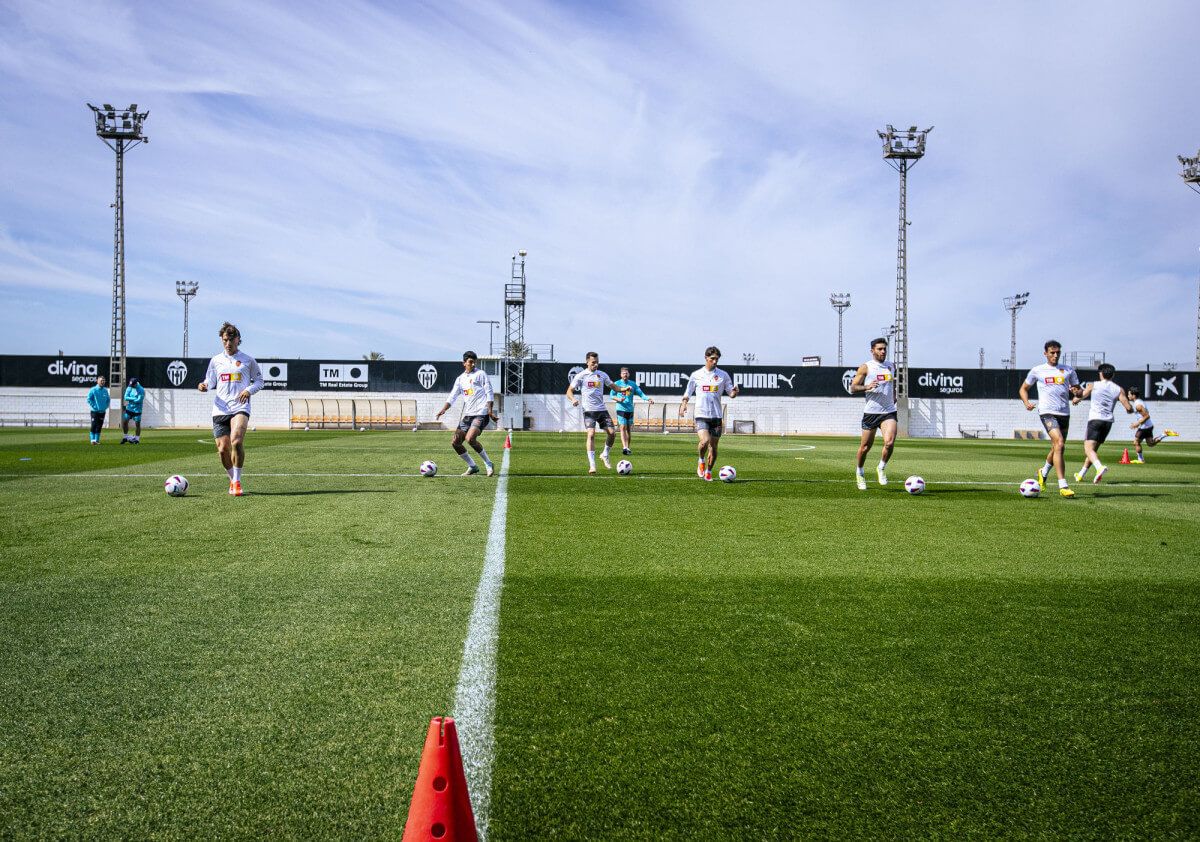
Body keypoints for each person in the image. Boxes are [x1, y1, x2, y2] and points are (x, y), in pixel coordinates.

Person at [197, 322, 263, 496]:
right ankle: (232, 479)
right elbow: (210, 381)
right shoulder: (215, 361)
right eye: (225, 340)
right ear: (222, 340)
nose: (228, 343)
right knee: (222, 449)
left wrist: (248, 390)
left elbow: (259, 381)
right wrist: (204, 385)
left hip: (240, 406)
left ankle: (237, 482)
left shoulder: (248, 360)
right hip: (220, 409)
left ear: (238, 340)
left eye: (231, 340)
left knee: (236, 441)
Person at [1018, 339, 1081, 497]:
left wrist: (1076, 393)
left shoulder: (1068, 370)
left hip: (1064, 413)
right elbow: (1023, 389)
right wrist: (1026, 403)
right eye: (1052, 353)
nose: (1055, 355)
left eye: (1058, 352)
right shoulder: (1038, 370)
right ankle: (1063, 485)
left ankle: (1043, 471)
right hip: (1047, 412)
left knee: (1057, 447)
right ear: (1045, 353)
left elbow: (1078, 392)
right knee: (1059, 443)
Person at [679, 346, 739, 482]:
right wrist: (683, 404)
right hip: (701, 414)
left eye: (717, 359)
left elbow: (731, 393)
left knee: (714, 447)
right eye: (712, 359)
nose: (715, 361)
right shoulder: (696, 375)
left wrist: (735, 392)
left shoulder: (723, 375)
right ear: (706, 358)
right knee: (704, 441)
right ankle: (701, 460)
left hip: (717, 416)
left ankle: (709, 471)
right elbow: (688, 392)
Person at [435, 351, 498, 476]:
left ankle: (488, 463)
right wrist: (444, 409)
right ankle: (472, 466)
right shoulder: (460, 379)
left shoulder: (481, 374)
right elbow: (452, 396)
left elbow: (489, 392)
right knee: (456, 442)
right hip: (468, 415)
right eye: (470, 361)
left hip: (481, 412)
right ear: (464, 363)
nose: (473, 364)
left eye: (474, 361)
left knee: (470, 438)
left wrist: (490, 411)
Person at [566, 352, 629, 474]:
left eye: (597, 362)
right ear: (587, 362)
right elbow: (569, 391)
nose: (595, 364)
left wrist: (623, 389)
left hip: (601, 409)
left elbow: (614, 387)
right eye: (593, 362)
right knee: (591, 434)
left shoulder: (602, 375)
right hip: (588, 410)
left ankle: (605, 454)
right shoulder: (581, 375)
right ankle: (592, 465)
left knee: (612, 433)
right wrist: (573, 399)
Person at [849, 338, 898, 490]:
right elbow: (852, 388)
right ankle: (860, 472)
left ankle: (881, 468)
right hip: (871, 413)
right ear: (872, 351)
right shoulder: (866, 367)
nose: (883, 351)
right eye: (879, 349)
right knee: (864, 448)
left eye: (884, 349)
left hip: (889, 411)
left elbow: (893, 383)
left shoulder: (891, 366)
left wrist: (894, 395)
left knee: (889, 443)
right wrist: (867, 387)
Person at [1073, 363, 1133, 484]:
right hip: (1108, 423)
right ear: (1113, 375)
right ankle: (1081, 474)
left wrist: (1076, 399)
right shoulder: (1118, 389)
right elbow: (1128, 407)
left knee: (1088, 449)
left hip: (1095, 420)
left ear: (1100, 373)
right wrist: (1130, 409)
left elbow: (1081, 395)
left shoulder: (1093, 385)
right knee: (1092, 451)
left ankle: (1099, 468)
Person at [1127, 386, 1179, 463]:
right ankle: (1164, 434)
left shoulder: (1137, 405)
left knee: (1136, 442)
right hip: (1148, 426)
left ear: (1133, 395)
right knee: (1150, 444)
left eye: (1129, 394)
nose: (1128, 396)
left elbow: (1147, 416)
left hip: (1144, 427)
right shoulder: (1139, 402)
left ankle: (1140, 460)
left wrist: (1137, 423)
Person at [609, 366, 652, 455]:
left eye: (626, 373)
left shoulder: (633, 384)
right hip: (621, 408)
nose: (625, 374)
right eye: (623, 373)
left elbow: (640, 393)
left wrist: (648, 399)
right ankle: (624, 447)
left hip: (630, 409)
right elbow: (612, 395)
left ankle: (628, 448)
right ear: (621, 375)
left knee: (628, 429)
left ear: (629, 374)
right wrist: (618, 399)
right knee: (622, 427)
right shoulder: (616, 384)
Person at [86, 375, 110, 445]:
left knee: (99, 426)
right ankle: (92, 440)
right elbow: (89, 399)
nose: (102, 382)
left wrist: (106, 406)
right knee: (94, 425)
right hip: (94, 411)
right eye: (101, 381)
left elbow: (108, 400)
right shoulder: (93, 389)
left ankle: (97, 440)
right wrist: (94, 406)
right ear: (97, 381)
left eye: (103, 381)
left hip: (102, 411)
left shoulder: (105, 390)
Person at [120, 377, 145, 444]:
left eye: (132, 385)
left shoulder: (141, 389)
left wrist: (131, 399)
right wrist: (134, 398)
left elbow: (139, 400)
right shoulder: (129, 387)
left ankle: (137, 439)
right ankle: (125, 437)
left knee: (137, 424)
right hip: (129, 408)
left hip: (137, 409)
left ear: (136, 384)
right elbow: (125, 397)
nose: (131, 386)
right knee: (125, 422)